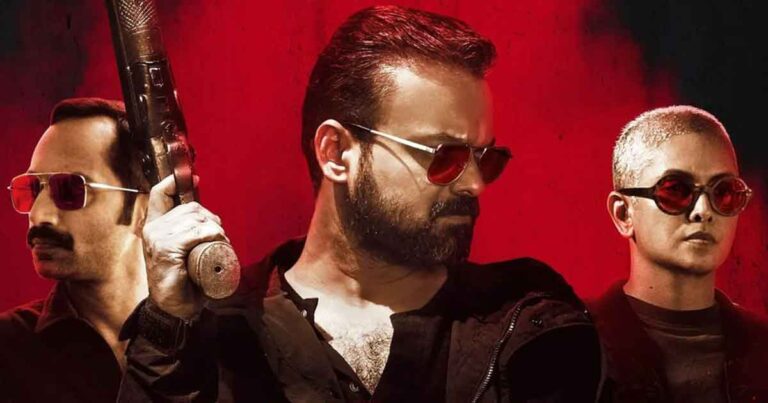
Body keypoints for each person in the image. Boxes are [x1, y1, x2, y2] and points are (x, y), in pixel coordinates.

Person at [120, 6, 603, 402]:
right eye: (445, 156)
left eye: (486, 158)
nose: (474, 184)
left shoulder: (528, 321)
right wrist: (168, 332)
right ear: (336, 153)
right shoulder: (219, 334)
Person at [588, 105, 768, 402]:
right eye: (675, 190)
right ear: (623, 213)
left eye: (724, 192)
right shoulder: (569, 344)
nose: (703, 211)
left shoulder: (762, 349)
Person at [0, 98, 151, 402]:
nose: (39, 214)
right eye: (33, 188)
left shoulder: (220, 338)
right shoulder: (7, 351)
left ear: (143, 210)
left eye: (70, 189)